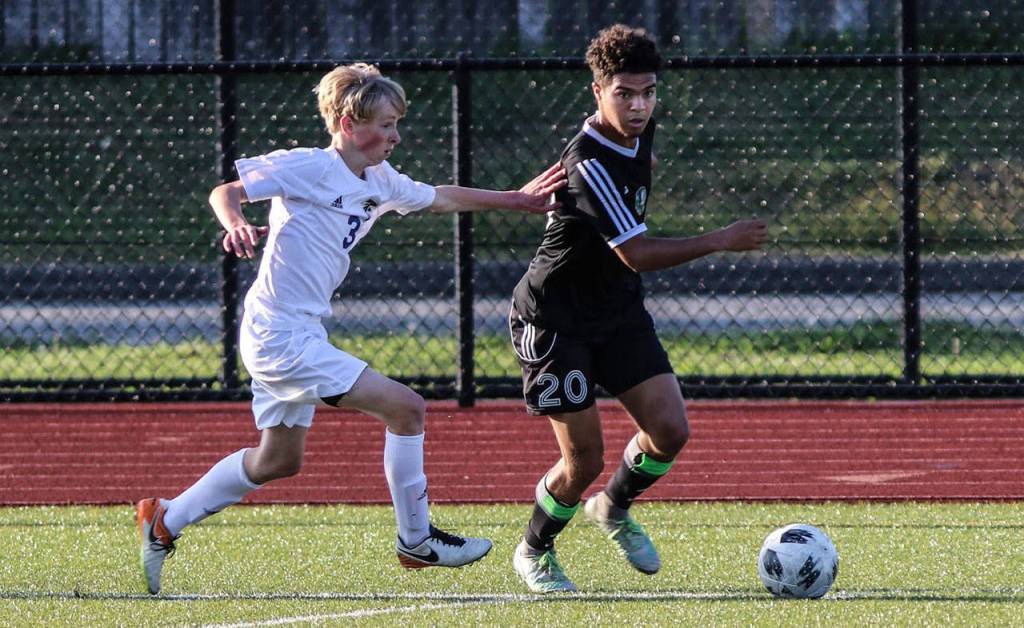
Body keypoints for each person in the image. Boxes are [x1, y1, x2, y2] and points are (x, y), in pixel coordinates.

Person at [136, 62, 566, 595]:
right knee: (407, 408)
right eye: (385, 125)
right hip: (277, 335)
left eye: (396, 124)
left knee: (278, 460)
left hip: (300, 332)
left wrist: (517, 200)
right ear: (347, 124)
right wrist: (237, 222)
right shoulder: (310, 166)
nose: (395, 136)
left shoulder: (381, 181)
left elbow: (441, 197)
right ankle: (416, 540)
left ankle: (165, 519)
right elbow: (226, 192)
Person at [508, 25, 768, 593]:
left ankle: (613, 507)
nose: (639, 106)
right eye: (624, 94)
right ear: (597, 91)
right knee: (583, 461)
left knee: (670, 430)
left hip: (616, 310)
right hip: (555, 320)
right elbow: (637, 254)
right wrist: (720, 239)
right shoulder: (588, 162)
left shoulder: (639, 132)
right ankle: (534, 549)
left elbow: (632, 194)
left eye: (648, 93)